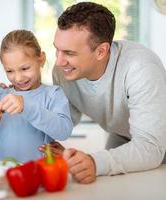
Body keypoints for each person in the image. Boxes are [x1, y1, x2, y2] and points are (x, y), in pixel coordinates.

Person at [39, 2, 166, 184]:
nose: (59, 61)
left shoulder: (140, 68)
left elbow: (151, 147)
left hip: (154, 144)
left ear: (101, 51)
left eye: (69, 53)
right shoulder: (64, 71)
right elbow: (63, 122)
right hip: (124, 136)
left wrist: (95, 162)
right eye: (57, 49)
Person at [0, 30, 73, 163]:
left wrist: (26, 106)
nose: (18, 78)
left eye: (25, 69)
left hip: (39, 173)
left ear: (41, 59)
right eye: (9, 71)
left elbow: (63, 131)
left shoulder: (53, 94)